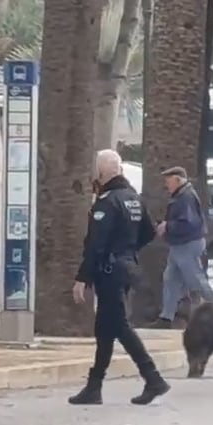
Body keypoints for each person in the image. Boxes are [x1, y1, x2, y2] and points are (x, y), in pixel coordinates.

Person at [69, 149, 169, 406]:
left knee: (120, 327)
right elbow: (148, 231)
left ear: (102, 173)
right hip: (126, 267)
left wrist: (83, 277)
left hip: (109, 271)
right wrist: (128, 249)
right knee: (105, 329)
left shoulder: (107, 202)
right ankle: (94, 386)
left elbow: (96, 244)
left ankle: (153, 377)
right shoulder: (133, 199)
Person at [150, 166, 213, 329]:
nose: (167, 185)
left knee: (196, 279)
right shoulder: (181, 196)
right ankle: (166, 317)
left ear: (178, 180)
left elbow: (188, 223)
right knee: (171, 278)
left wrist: (168, 226)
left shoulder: (185, 197)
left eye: (169, 181)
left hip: (187, 244)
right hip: (179, 244)